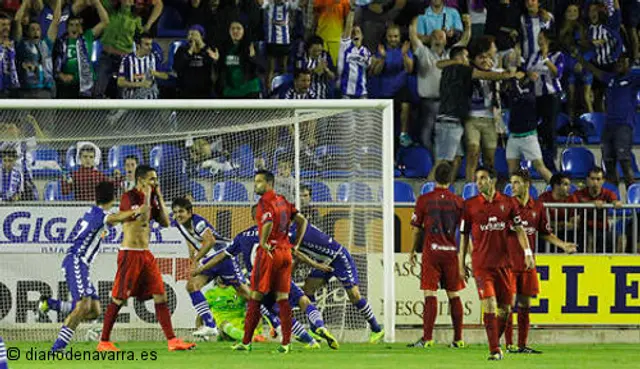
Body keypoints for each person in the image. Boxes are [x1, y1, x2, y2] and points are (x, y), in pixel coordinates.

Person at [192, 215, 331, 349]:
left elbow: (223, 255)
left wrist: (202, 267)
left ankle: (309, 340)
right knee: (303, 301)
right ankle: (320, 326)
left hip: (261, 281)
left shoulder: (243, 236)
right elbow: (295, 253)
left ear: (254, 218)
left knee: (278, 311)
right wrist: (317, 265)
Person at [97, 165, 195, 352]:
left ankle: (172, 341)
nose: (155, 182)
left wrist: (158, 196)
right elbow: (142, 219)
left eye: (156, 179)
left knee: (160, 295)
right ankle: (103, 341)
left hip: (145, 254)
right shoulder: (130, 196)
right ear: (141, 180)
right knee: (119, 298)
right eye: (152, 179)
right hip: (130, 253)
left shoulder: (151, 199)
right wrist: (149, 196)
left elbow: (166, 222)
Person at [43, 182, 145, 352]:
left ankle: (50, 304)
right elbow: (117, 217)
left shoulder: (94, 212)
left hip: (80, 263)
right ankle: (58, 348)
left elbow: (117, 218)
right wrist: (138, 209)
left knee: (94, 310)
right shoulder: (101, 215)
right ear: (114, 197)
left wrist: (130, 213)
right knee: (83, 305)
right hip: (77, 261)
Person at [459, 166, 532, 360]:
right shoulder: (470, 205)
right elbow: (464, 237)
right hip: (481, 265)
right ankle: (494, 350)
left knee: (505, 309)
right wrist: (461, 262)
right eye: (477, 179)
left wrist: (527, 252)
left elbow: (519, 230)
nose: (478, 182)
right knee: (489, 305)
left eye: (482, 178)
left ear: (492, 180)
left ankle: (494, 341)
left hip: (504, 265)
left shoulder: (508, 203)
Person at [232, 170, 307, 353]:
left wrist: (263, 242)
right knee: (283, 299)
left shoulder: (265, 202)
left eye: (259, 182)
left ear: (269, 183)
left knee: (255, 296)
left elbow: (268, 222)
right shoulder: (284, 201)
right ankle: (286, 344)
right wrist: (295, 244)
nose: (255, 185)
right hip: (285, 252)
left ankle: (246, 342)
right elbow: (302, 220)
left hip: (270, 253)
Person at [503, 169, 577, 354]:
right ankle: (509, 344)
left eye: (516, 182)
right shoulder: (505, 206)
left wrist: (563, 245)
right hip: (508, 263)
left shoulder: (538, 207)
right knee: (507, 305)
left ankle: (521, 344)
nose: (513, 186)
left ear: (527, 184)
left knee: (525, 305)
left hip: (528, 264)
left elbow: (545, 233)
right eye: (512, 182)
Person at [430, 46, 524, 182]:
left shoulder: (449, 69)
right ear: (458, 58)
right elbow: (488, 75)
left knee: (456, 160)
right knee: (442, 162)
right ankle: (426, 194)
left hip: (454, 120)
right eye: (465, 56)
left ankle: (447, 191)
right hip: (449, 120)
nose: (468, 59)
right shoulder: (462, 69)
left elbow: (440, 64)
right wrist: (510, 75)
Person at [171, 197, 248, 339]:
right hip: (209, 260)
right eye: (175, 212)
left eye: (181, 211)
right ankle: (210, 325)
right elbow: (191, 241)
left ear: (189, 212)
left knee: (245, 293)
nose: (178, 215)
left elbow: (210, 241)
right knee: (192, 286)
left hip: (223, 256)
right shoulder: (178, 223)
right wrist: (192, 259)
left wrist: (196, 259)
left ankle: (277, 321)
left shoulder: (198, 221)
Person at [407, 162, 465, 348]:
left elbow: (416, 229)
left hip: (431, 251)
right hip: (450, 252)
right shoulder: (458, 201)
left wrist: (412, 250)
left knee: (430, 293)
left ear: (434, 177)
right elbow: (464, 231)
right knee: (453, 294)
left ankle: (428, 338)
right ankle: (458, 339)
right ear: (450, 179)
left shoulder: (424, 200)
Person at [575, 50, 639, 187]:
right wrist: (579, 58)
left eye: (623, 61)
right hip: (608, 127)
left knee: (625, 161)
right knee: (608, 163)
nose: (619, 64)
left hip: (624, 126)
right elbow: (594, 70)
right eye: (618, 61)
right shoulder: (610, 78)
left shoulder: (634, 78)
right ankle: (614, 198)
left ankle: (634, 199)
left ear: (629, 64)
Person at [53, 0, 110, 98]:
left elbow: (105, 22)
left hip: (86, 86)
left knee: (85, 113)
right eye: (71, 25)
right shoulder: (61, 42)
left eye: (77, 25)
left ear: (81, 27)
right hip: (67, 86)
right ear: (67, 28)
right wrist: (61, 76)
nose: (74, 28)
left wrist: (96, 3)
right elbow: (54, 62)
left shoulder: (87, 37)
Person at [14, 0, 60, 98]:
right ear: (27, 32)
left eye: (38, 29)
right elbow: (17, 20)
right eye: (32, 29)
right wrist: (25, 3)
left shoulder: (46, 43)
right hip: (26, 90)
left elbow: (56, 21)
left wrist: (58, 1)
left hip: (46, 90)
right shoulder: (21, 44)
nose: (36, 32)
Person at [572, 167, 623, 253]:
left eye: (598, 179)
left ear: (603, 181)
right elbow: (573, 205)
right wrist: (592, 203)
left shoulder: (608, 193)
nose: (595, 182)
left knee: (614, 239)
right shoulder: (578, 194)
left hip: (602, 230)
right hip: (583, 229)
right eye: (592, 179)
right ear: (587, 179)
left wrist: (616, 203)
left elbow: (615, 201)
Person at [117, 32, 167, 99]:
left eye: (151, 44)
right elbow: (120, 82)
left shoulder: (154, 57)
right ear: (138, 46)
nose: (150, 47)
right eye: (147, 44)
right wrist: (139, 84)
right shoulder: (127, 59)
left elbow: (166, 76)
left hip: (151, 101)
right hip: (131, 101)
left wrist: (155, 73)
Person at [337, 1, 371, 99]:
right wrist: (352, 10)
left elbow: (369, 67)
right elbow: (348, 28)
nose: (355, 34)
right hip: (345, 93)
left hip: (362, 93)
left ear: (362, 36)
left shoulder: (366, 52)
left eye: (358, 32)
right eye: (353, 32)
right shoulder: (345, 46)